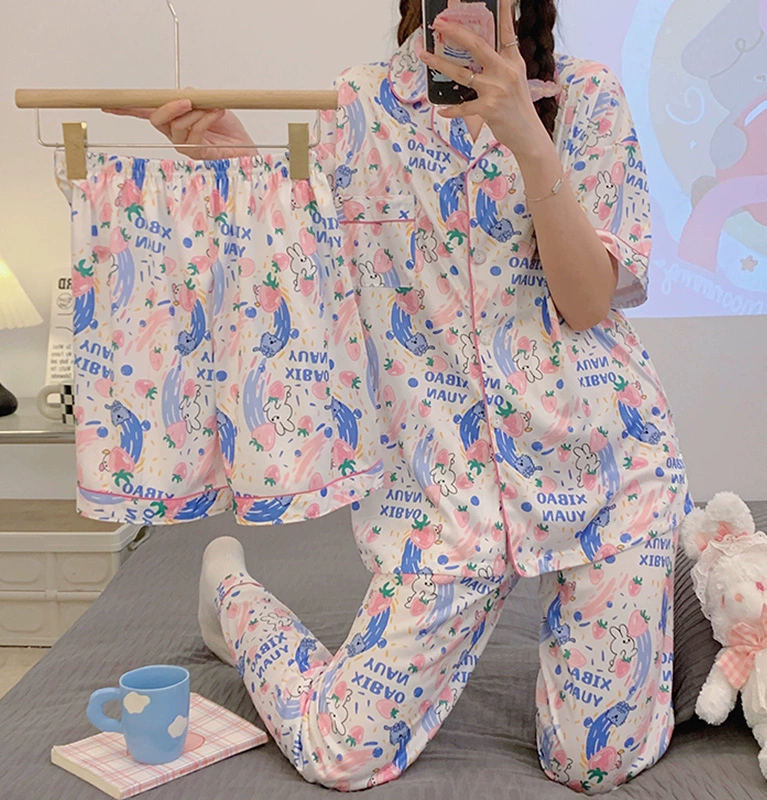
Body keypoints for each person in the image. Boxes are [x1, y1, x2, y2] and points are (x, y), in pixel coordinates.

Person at [109, 0, 689, 792]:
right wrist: (233, 157)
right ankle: (231, 597)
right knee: (342, 753)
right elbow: (304, 277)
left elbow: (587, 303)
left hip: (610, 473)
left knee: (599, 764)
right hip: (442, 491)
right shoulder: (357, 106)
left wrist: (527, 138)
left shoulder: (586, 96)